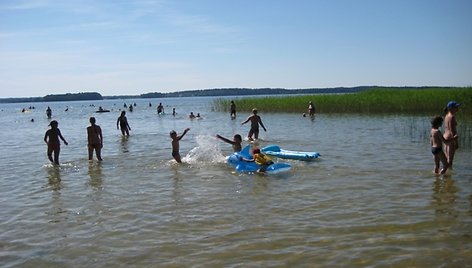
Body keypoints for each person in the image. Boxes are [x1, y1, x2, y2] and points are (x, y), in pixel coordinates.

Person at [443, 101, 460, 168]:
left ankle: (446, 175)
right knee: (450, 161)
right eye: (456, 107)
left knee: (447, 159)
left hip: (446, 137)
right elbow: (452, 130)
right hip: (451, 138)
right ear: (451, 108)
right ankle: (447, 176)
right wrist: (456, 142)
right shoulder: (452, 117)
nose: (457, 108)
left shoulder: (447, 115)